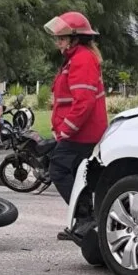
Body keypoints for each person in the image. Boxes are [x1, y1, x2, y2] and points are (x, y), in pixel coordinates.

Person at [44, 11, 107, 209]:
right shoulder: (76, 58)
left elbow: (83, 102)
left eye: (62, 38)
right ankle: (85, 220)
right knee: (79, 176)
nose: (58, 43)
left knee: (58, 169)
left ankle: (84, 217)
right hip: (79, 133)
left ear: (75, 38)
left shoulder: (82, 59)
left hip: (80, 134)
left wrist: (65, 130)